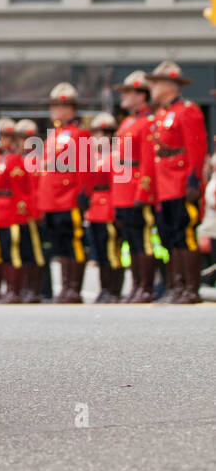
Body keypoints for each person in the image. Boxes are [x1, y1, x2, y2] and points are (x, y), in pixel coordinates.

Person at [146, 60, 208, 304]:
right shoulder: (161, 114)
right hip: (164, 185)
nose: (152, 89)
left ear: (170, 85)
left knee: (185, 234)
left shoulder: (187, 110)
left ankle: (190, 289)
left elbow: (196, 147)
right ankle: (175, 286)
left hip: (182, 180)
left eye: (156, 83)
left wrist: (194, 179)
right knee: (168, 235)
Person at [35, 83, 90, 304]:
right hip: (52, 198)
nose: (55, 109)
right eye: (54, 105)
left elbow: (85, 167)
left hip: (68, 196)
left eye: (60, 105)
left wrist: (82, 193)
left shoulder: (79, 133)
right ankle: (65, 287)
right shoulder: (54, 135)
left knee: (73, 242)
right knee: (59, 244)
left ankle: (73, 288)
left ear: (71, 108)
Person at [112, 70, 157, 303]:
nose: (124, 96)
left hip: (137, 185)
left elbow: (149, 161)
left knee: (143, 240)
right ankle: (136, 285)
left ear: (142, 95)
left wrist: (143, 191)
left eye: (129, 91)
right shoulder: (128, 121)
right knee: (130, 240)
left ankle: (146, 287)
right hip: (123, 186)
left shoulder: (148, 122)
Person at [86, 111, 122, 303]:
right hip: (95, 207)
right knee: (99, 253)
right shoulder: (93, 157)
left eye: (101, 133)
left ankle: (114, 289)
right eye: (95, 134)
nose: (96, 138)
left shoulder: (115, 156)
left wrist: (116, 208)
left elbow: (117, 183)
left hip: (109, 203)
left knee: (111, 252)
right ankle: (104, 288)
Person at [13, 118, 45, 303]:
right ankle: (27, 288)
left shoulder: (35, 159)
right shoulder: (21, 158)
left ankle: (36, 289)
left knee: (35, 252)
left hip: (31, 213)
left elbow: (35, 189)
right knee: (25, 250)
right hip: (20, 212)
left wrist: (34, 212)